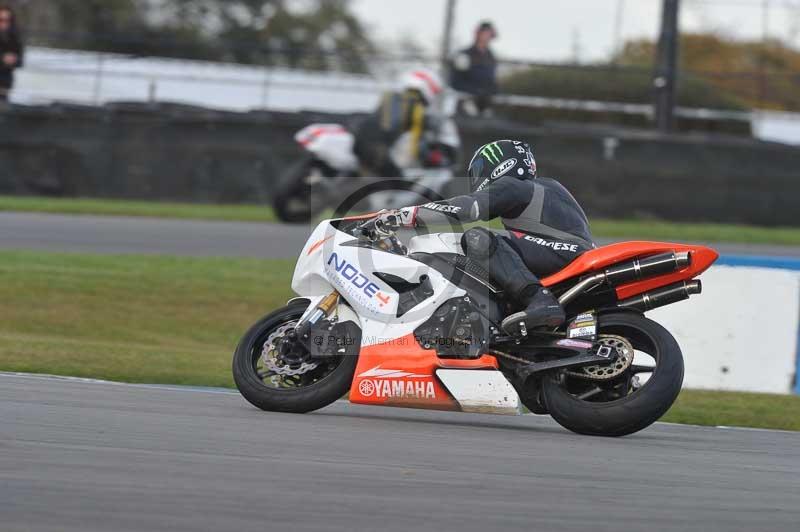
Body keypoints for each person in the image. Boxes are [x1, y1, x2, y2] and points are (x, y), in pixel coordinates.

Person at [381, 139, 596, 336]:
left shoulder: (516, 186)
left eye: (479, 171)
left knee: (477, 238)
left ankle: (540, 300)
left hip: (565, 253)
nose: (477, 178)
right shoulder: (545, 189)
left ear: (501, 163)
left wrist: (407, 215)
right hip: (568, 254)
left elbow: (470, 207)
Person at [353, 68, 455, 178]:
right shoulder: (411, 104)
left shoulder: (395, 99)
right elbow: (413, 143)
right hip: (377, 153)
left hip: (369, 150)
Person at [450, 21, 498, 116]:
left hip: (484, 105)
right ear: (478, 34)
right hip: (465, 102)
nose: (487, 37)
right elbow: (455, 82)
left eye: (490, 35)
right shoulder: (464, 55)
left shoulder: (491, 57)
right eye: (485, 33)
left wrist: (492, 92)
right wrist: (475, 92)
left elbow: (491, 81)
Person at [0, 5, 22, 102]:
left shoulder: (14, 39)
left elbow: (21, 61)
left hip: (5, 82)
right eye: (1, 20)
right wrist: (3, 58)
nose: (4, 23)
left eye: (7, 20)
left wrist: (14, 59)